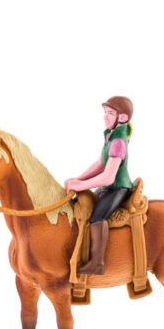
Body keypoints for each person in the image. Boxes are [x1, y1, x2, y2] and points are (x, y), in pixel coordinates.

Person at [64, 96, 134, 276]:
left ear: (122, 117)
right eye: (105, 113)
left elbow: (109, 177)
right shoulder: (111, 136)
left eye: (110, 113)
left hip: (117, 187)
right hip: (109, 187)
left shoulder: (118, 141)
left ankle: (97, 264)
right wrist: (78, 179)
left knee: (97, 217)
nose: (105, 117)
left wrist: (81, 185)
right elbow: (100, 164)